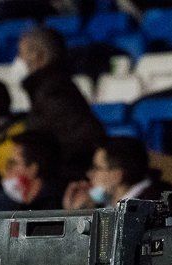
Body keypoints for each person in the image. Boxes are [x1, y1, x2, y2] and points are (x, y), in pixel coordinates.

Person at [15, 27, 106, 182]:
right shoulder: (48, 87)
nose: (18, 60)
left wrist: (49, 167)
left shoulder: (53, 92)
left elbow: (87, 137)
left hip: (63, 182)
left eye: (21, 54)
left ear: (38, 56)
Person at [62, 138, 171, 210]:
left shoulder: (151, 206)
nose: (90, 174)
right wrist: (77, 212)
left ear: (117, 176)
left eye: (96, 168)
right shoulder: (110, 205)